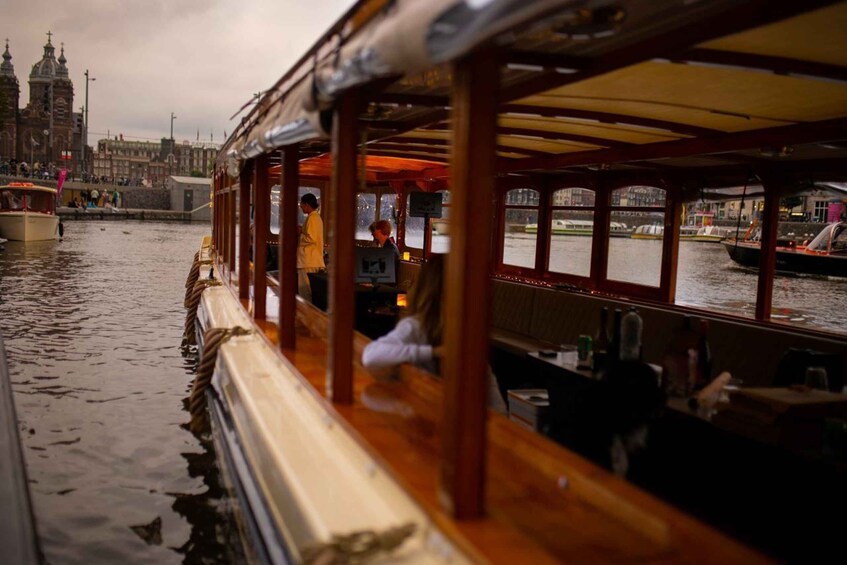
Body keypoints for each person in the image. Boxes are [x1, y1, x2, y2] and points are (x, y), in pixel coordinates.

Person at [362, 254, 507, 414]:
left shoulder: (466, 333)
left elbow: (495, 400)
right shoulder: (417, 327)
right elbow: (371, 356)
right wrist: (433, 352)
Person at [297, 193, 325, 301]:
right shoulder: (314, 218)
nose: (301, 207)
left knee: (305, 293)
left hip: (308, 261)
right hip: (310, 260)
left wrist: (300, 233)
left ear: (307, 204)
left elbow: (311, 238)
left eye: (302, 204)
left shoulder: (313, 218)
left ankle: (306, 316)